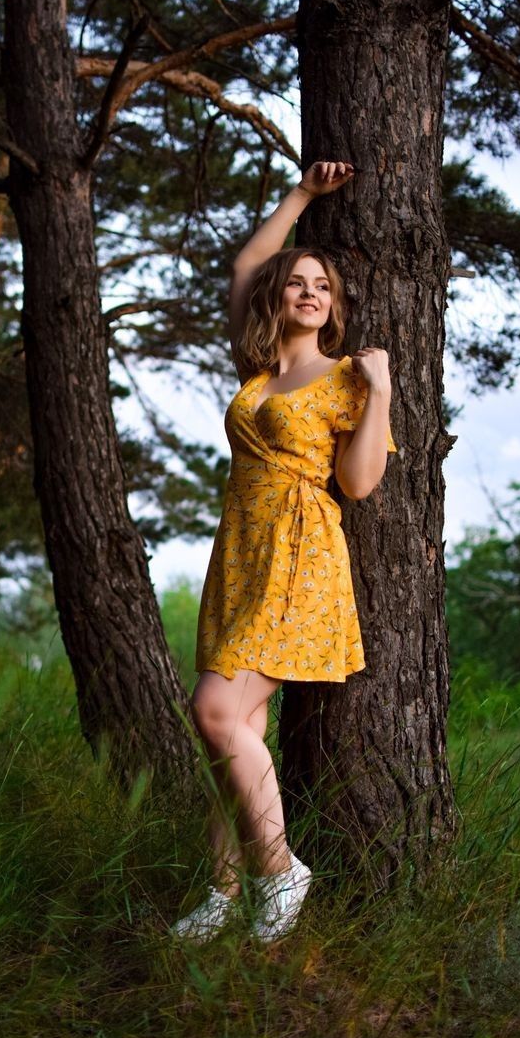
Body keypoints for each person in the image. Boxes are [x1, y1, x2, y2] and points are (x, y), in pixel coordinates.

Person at [169, 160, 398, 945]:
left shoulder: (345, 378)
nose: (308, 292)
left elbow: (360, 483)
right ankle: (223, 890)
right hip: (239, 548)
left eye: (322, 287)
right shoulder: (258, 369)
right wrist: (301, 196)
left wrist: (385, 392)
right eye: (298, 281)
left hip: (300, 552)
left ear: (333, 306)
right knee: (235, 730)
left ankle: (279, 869)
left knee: (214, 710)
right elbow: (244, 266)